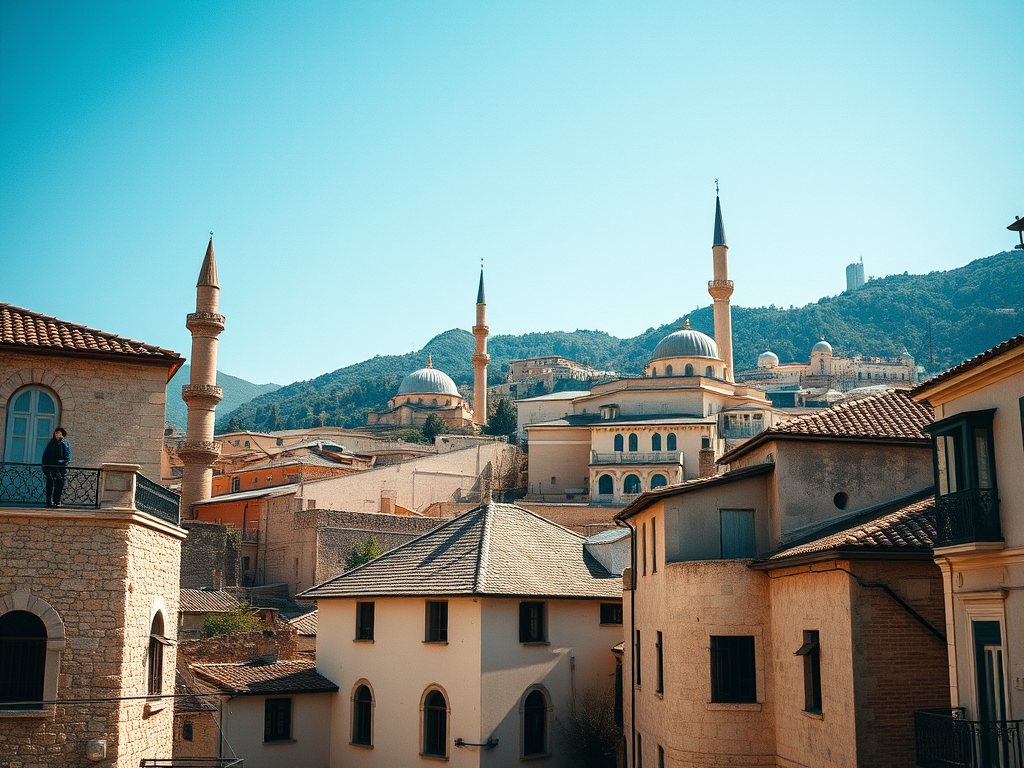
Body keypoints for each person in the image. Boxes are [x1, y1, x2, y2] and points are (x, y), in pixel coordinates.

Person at [41, 427, 71, 508]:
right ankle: (49, 501)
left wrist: (60, 462)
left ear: (62, 434)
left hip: (60, 468)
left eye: (58, 432)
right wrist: (45, 465)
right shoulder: (51, 443)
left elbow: (67, 457)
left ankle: (57, 501)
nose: (56, 433)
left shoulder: (64, 444)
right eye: (56, 432)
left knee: (59, 485)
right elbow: (45, 455)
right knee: (49, 484)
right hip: (50, 468)